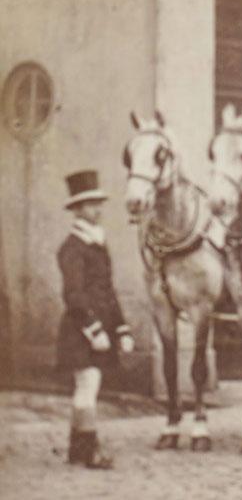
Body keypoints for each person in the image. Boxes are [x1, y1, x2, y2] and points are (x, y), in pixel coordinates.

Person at [56, 170, 134, 470]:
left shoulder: (97, 244)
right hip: (80, 329)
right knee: (87, 385)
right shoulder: (72, 248)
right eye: (90, 205)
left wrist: (122, 327)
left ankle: (77, 449)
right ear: (76, 209)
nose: (97, 210)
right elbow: (73, 295)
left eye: (99, 203)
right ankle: (89, 451)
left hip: (98, 328)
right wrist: (93, 329)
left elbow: (108, 292)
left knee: (89, 385)